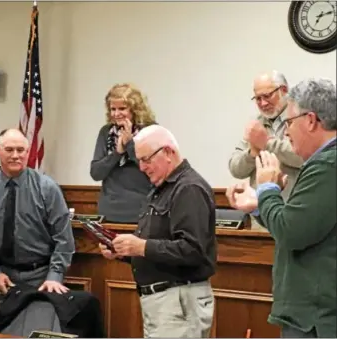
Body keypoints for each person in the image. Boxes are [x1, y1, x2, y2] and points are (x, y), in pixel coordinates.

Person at [226, 78, 336, 338]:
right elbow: (299, 222)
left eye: (289, 123)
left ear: (310, 121)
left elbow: (291, 233)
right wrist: (259, 204)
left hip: (316, 318)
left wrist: (267, 189)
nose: (286, 132)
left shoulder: (326, 166)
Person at [99, 125, 216, 338]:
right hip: (164, 304)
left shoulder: (188, 189)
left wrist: (141, 246)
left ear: (168, 152)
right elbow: (156, 245)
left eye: (146, 159)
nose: (141, 168)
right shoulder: (161, 188)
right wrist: (126, 251)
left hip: (179, 302)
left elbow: (192, 250)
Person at [0, 128, 75, 313]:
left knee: (39, 328)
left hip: (42, 277)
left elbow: (64, 238)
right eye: (9, 150)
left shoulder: (47, 188)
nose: (16, 156)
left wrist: (54, 276)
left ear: (28, 152)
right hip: (4, 278)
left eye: (21, 150)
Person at [228, 71, 303, 204]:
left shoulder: (300, 117)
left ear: (284, 90)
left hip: (294, 209)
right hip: (259, 210)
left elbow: (304, 157)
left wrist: (267, 144)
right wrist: (251, 154)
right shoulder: (255, 124)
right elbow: (235, 169)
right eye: (258, 98)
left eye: (267, 96)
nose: (263, 103)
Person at [90, 83, 157, 223]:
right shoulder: (106, 132)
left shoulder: (151, 131)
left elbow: (154, 169)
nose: (116, 113)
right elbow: (96, 173)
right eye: (112, 109)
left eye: (122, 108)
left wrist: (130, 145)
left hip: (141, 210)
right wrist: (117, 152)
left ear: (135, 110)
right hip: (110, 210)